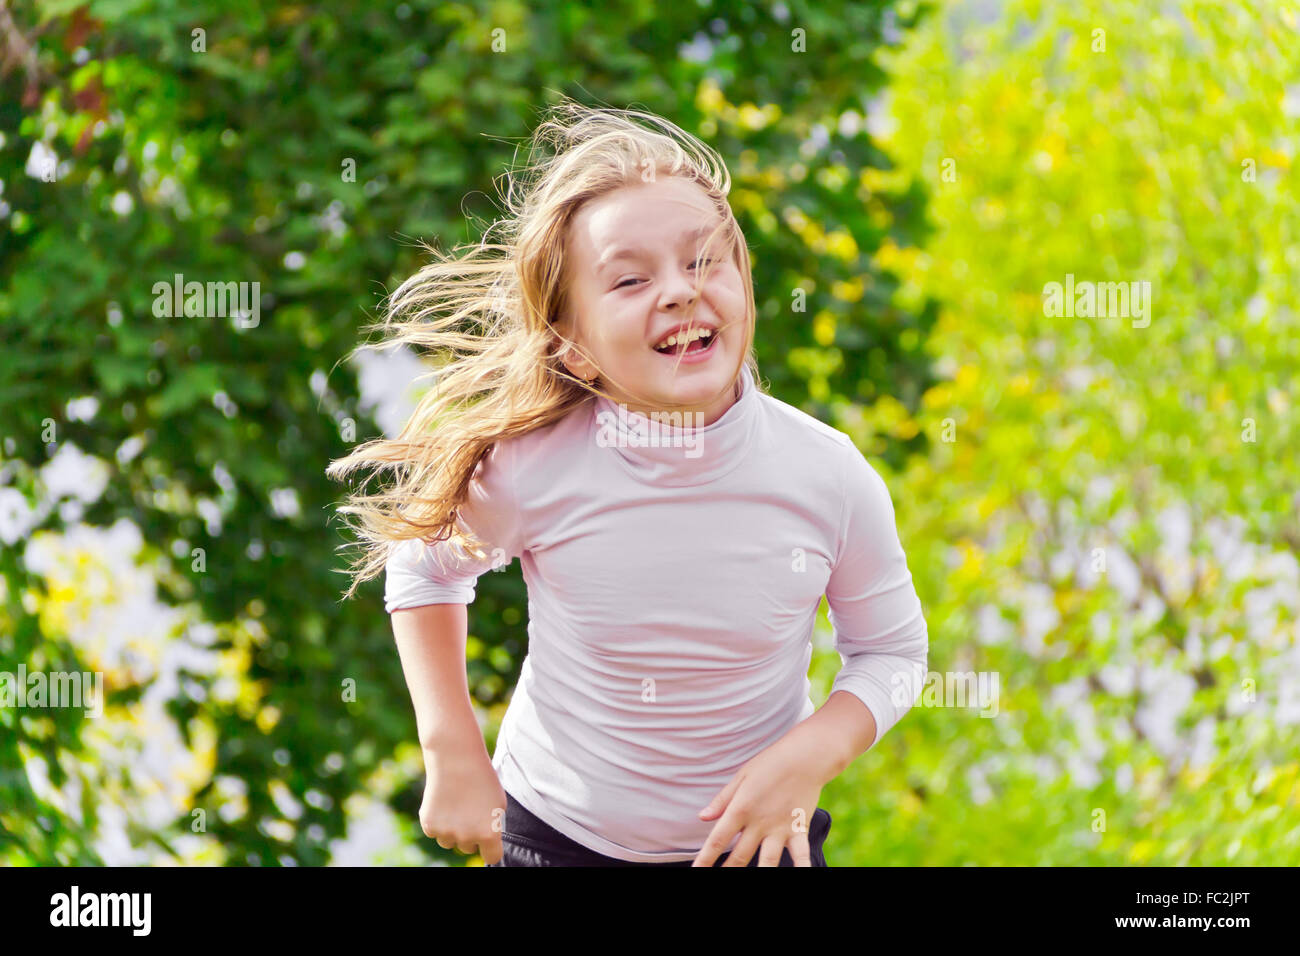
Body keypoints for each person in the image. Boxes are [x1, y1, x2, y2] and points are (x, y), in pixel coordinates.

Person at [327, 99, 929, 867]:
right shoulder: (535, 466)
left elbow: (892, 652)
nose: (678, 290)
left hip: (754, 845)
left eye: (704, 260)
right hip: (557, 837)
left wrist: (810, 755)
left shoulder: (828, 474)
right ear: (573, 348)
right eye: (630, 280)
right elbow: (426, 565)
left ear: (743, 284)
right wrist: (453, 752)